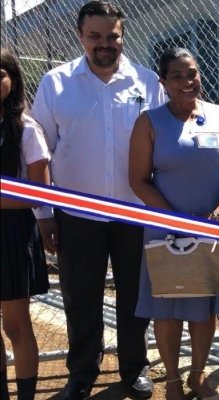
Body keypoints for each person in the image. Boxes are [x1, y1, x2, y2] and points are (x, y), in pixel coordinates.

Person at [30, 2, 166, 398]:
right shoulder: (55, 84)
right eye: (95, 37)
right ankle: (82, 371)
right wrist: (44, 215)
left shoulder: (147, 83)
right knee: (80, 297)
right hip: (76, 215)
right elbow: (41, 155)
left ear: (123, 36)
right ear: (80, 37)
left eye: (113, 36)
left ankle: (134, 369)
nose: (105, 45)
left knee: (134, 297)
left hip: (133, 213)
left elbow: (161, 147)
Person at [128, 47, 219, 400]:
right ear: (163, 82)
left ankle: (198, 376)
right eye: (176, 76)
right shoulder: (148, 122)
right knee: (168, 308)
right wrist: (173, 218)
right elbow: (138, 180)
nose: (186, 81)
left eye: (192, 73)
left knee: (203, 307)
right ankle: (173, 383)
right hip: (166, 232)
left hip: (210, 230)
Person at [0, 48, 51, 400]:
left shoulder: (26, 128)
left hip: (13, 233)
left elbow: (39, 192)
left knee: (16, 325)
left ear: (12, 80)